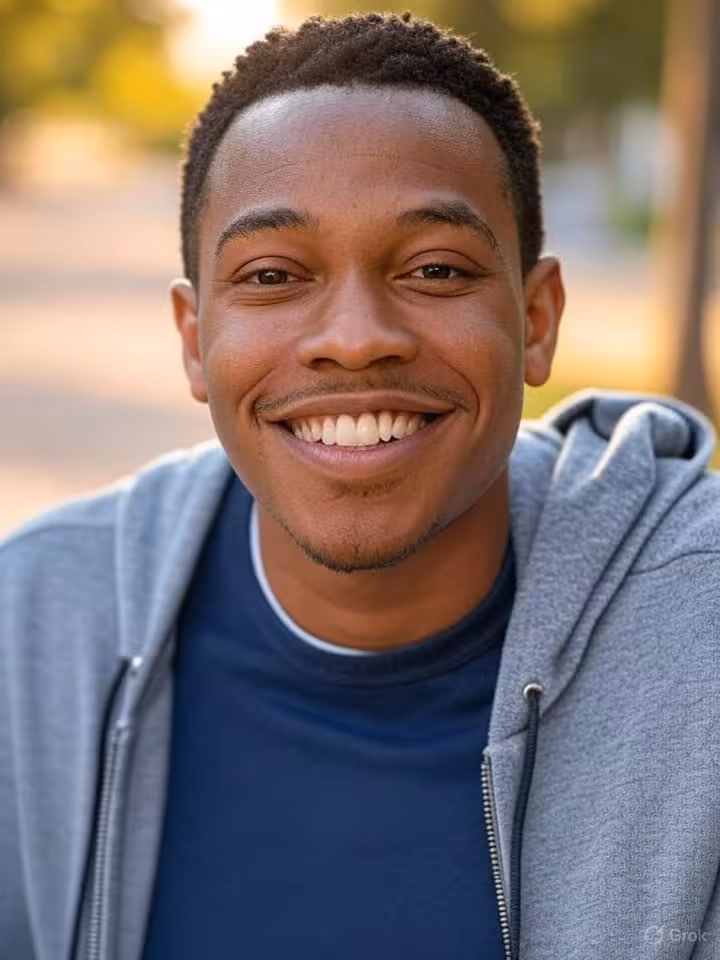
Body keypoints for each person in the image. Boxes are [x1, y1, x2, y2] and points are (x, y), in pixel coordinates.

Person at [1, 11, 718, 960]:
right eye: (272, 275)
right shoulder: (33, 628)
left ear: (537, 318)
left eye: (434, 267)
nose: (353, 335)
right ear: (194, 342)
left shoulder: (698, 632)